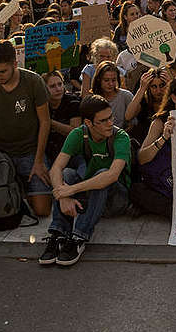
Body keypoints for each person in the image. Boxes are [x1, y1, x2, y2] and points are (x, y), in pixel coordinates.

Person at [38, 94, 132, 267]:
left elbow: (112, 175)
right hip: (91, 196)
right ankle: (58, 233)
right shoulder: (78, 134)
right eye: (103, 121)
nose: (110, 123)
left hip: (116, 199)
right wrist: (63, 196)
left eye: (110, 117)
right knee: (66, 173)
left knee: (103, 173)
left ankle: (79, 236)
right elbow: (56, 168)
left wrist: (71, 190)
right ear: (88, 123)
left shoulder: (121, 137)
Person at [0, 40, 52, 217]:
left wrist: (38, 161)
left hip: (30, 151)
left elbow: (45, 122)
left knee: (42, 210)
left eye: (2, 71)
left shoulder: (33, 81)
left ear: (14, 64)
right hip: (0, 152)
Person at [132, 76, 176, 218]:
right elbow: (142, 158)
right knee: (138, 191)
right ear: (174, 98)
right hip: (163, 180)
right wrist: (163, 138)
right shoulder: (160, 121)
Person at [44, 70, 82, 162]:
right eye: (52, 86)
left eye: (60, 84)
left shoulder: (73, 102)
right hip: (47, 152)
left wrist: (49, 122)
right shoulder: (41, 104)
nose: (58, 89)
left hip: (71, 153)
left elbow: (75, 132)